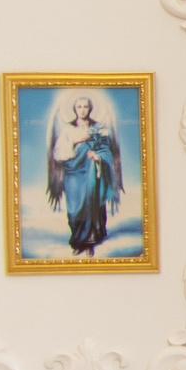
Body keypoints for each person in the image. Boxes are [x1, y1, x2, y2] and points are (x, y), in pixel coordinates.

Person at [47, 94, 124, 258]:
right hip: (73, 173)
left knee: (90, 205)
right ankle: (77, 241)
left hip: (91, 173)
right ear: (74, 109)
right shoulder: (68, 129)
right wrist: (75, 142)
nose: (82, 110)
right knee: (74, 209)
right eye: (79, 107)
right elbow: (58, 153)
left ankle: (89, 243)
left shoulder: (98, 129)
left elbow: (106, 151)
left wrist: (98, 157)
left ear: (90, 109)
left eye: (86, 106)